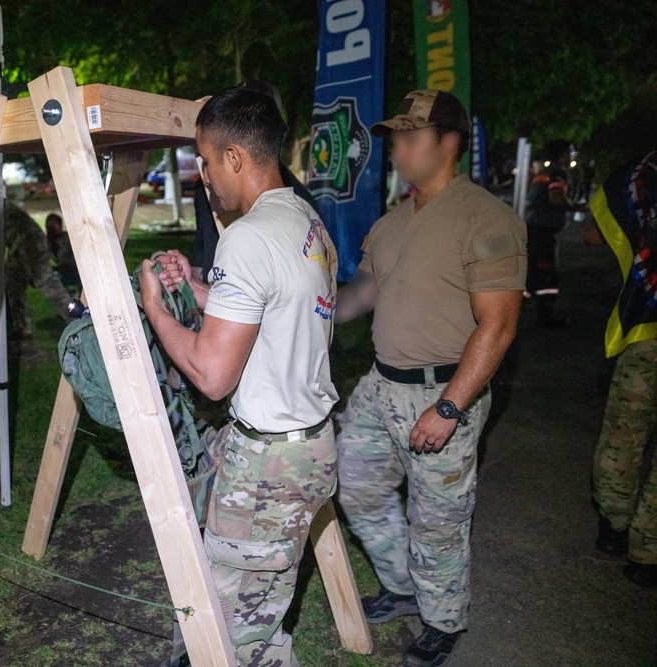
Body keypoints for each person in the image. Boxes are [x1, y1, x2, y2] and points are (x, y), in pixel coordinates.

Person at [141, 86, 339, 667]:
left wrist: (156, 308)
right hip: (309, 445)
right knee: (261, 613)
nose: (202, 175)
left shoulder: (248, 236)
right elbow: (272, 308)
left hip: (271, 466)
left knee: (225, 638)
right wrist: (197, 289)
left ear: (234, 158)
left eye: (204, 159)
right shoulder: (301, 218)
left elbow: (211, 374)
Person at [333, 90, 527, 667]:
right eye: (395, 137)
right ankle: (401, 586)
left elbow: (500, 325)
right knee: (355, 485)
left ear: (449, 142)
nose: (397, 148)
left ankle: (441, 622)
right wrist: (315, 308)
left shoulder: (489, 221)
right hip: (379, 385)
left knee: (437, 521)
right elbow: (363, 292)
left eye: (411, 136)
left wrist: (449, 408)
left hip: (442, 391)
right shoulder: (392, 222)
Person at [585, 149, 657, 588]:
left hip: (645, 332)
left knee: (623, 436)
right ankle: (647, 552)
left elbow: (597, 235)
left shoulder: (645, 172)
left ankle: (613, 528)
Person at [189, 79, 318, 284]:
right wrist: (191, 283)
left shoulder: (244, 237)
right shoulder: (307, 211)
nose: (206, 178)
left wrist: (154, 303)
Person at [0, 200, 75, 354]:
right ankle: (22, 328)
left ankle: (76, 322)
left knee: (49, 286)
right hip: (18, 249)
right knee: (14, 286)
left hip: (32, 245)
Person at [523, 139, 586, 326]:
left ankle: (520, 307)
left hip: (533, 227)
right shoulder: (558, 173)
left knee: (533, 270)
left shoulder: (543, 172)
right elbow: (556, 198)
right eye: (569, 152)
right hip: (543, 231)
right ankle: (544, 316)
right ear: (562, 154)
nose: (570, 156)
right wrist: (575, 208)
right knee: (546, 273)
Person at [44, 212, 79, 289]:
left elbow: (71, 264)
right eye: (48, 226)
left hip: (77, 272)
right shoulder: (49, 242)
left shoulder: (67, 240)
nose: (50, 229)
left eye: (53, 226)